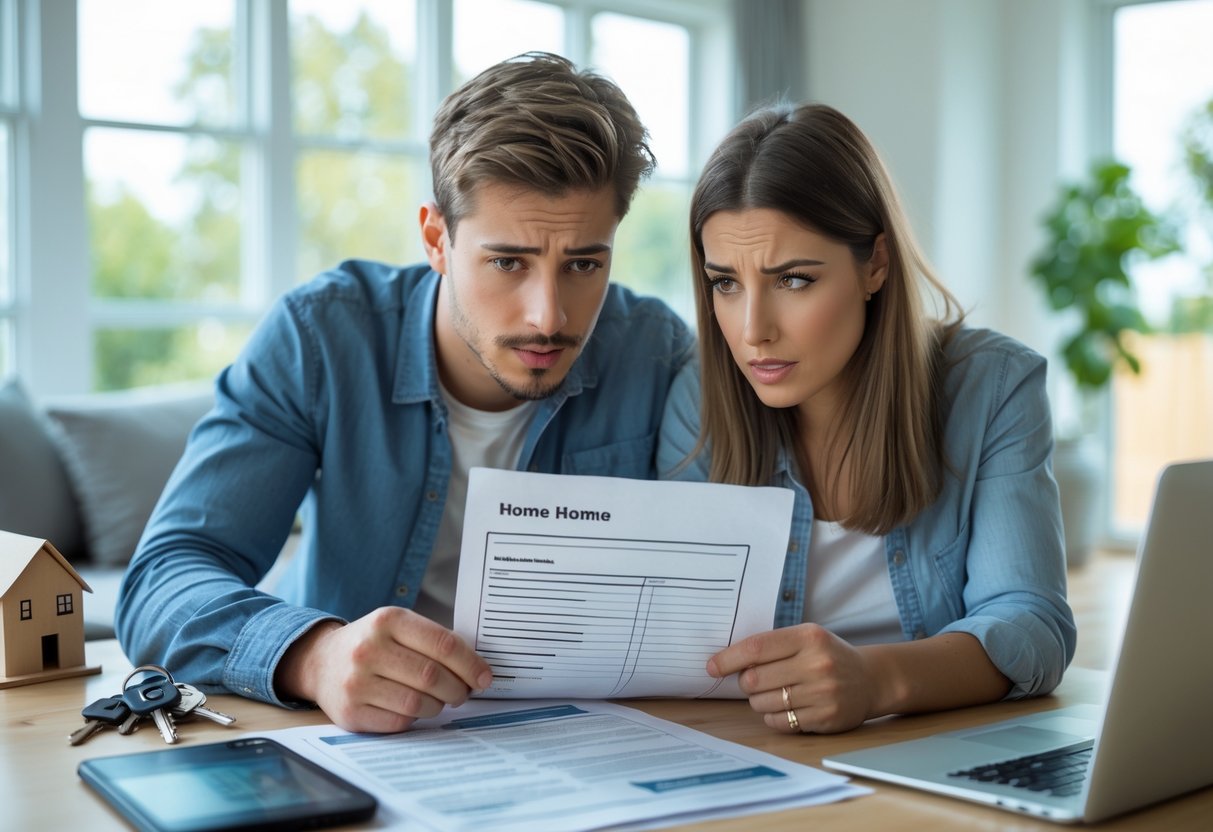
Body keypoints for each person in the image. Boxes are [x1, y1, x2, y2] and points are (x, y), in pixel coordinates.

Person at [116, 52, 693, 733]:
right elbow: (164, 577)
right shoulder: (322, 338)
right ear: (436, 238)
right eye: (508, 262)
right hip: (355, 744)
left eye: (583, 264)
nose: (549, 315)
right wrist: (314, 654)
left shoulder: (653, 351)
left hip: (582, 738)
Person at [658, 103, 1076, 735]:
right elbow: (674, 638)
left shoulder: (991, 388)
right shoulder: (699, 395)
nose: (752, 332)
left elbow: (1031, 622)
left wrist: (875, 679)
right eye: (725, 283)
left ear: (875, 263)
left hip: (930, 753)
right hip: (753, 752)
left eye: (793, 280)